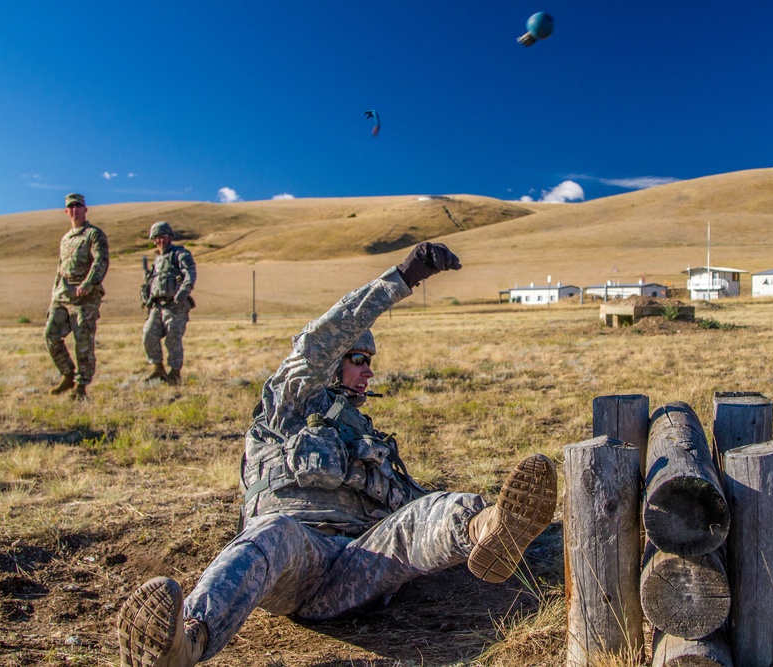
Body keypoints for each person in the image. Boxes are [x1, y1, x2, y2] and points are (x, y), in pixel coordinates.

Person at [117, 242, 557, 667]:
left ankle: (494, 530)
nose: (369, 370)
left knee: (431, 509)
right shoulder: (288, 405)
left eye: (370, 361)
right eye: (359, 357)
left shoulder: (371, 440)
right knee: (272, 533)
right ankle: (186, 643)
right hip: (295, 565)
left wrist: (459, 513)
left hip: (362, 568)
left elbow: (415, 511)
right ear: (332, 363)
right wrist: (404, 277)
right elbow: (321, 338)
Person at [45, 193, 110, 400]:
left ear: (85, 209)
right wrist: (55, 293)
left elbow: (101, 261)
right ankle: (67, 374)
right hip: (63, 296)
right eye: (71, 207)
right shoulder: (65, 239)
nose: (74, 210)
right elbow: (60, 268)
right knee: (50, 334)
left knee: (83, 341)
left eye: (78, 206)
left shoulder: (94, 235)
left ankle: (81, 387)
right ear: (66, 212)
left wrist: (87, 284)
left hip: (85, 298)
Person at [141, 221, 197, 385]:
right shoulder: (157, 261)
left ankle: (174, 373)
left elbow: (190, 275)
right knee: (148, 334)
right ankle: (157, 368)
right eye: (157, 238)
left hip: (175, 306)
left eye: (163, 236)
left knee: (173, 338)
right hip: (157, 306)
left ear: (170, 237)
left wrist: (182, 294)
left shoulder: (180, 254)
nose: (160, 241)